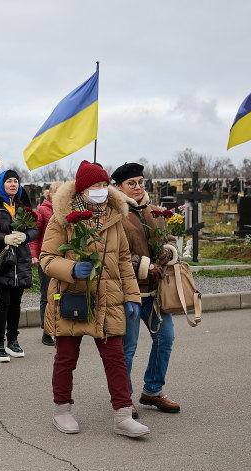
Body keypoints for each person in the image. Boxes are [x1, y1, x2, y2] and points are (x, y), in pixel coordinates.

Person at [40, 160, 150, 438]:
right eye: (94, 186)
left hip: (110, 298)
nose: (100, 190)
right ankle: (62, 410)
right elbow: (46, 259)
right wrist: (72, 269)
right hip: (72, 297)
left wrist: (132, 296)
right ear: (81, 189)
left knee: (115, 358)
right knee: (66, 358)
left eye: (103, 185)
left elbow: (124, 260)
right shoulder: (62, 217)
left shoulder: (115, 216)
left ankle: (123, 415)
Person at [111, 162, 180, 416]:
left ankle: (152, 390)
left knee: (166, 338)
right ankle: (123, 399)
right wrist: (145, 265)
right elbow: (113, 254)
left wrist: (168, 252)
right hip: (128, 292)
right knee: (127, 348)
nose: (138, 187)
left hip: (155, 292)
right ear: (119, 187)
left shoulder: (153, 211)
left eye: (140, 182)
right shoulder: (114, 214)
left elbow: (169, 240)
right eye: (132, 183)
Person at [0, 170, 38, 363]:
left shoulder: (22, 206)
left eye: (16, 181)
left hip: (20, 261)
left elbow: (35, 227)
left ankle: (13, 340)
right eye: (9, 181)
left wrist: (26, 236)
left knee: (16, 303)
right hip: (1, 261)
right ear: (1, 184)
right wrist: (4, 238)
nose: (13, 184)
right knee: (3, 303)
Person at [29, 182, 62, 347]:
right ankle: (47, 331)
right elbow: (35, 235)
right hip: (46, 258)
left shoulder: (65, 209)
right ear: (50, 194)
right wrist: (34, 255)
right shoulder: (43, 210)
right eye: (57, 193)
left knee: (60, 295)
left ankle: (60, 328)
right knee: (47, 295)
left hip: (63, 259)